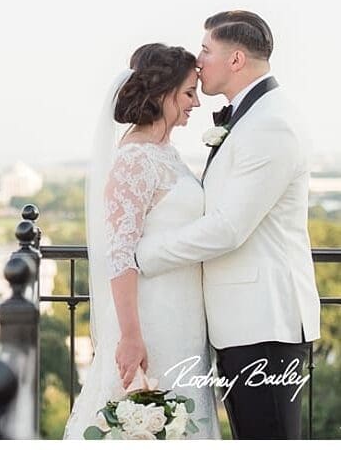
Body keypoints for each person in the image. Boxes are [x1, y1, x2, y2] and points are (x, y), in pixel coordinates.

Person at [135, 11, 321, 439]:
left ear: (236, 59)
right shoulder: (251, 116)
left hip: (264, 324)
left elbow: (227, 228)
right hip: (245, 321)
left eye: (205, 50)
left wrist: (143, 255)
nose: (198, 62)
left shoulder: (269, 124)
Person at [63, 43, 220, 440]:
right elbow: (118, 254)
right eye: (188, 92)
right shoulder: (134, 159)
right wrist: (131, 335)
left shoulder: (165, 153)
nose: (196, 102)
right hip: (152, 319)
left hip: (184, 314)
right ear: (161, 93)